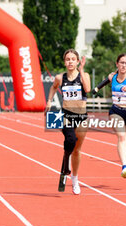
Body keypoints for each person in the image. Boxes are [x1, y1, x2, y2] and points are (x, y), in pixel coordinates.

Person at [45, 49, 91, 195]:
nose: (70, 61)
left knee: (77, 150)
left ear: (77, 61)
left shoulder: (85, 75)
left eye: (73, 59)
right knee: (71, 139)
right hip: (66, 114)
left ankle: (75, 179)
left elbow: (88, 89)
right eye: (68, 59)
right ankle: (66, 162)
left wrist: (82, 70)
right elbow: (53, 88)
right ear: (65, 62)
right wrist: (49, 101)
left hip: (81, 115)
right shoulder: (60, 78)